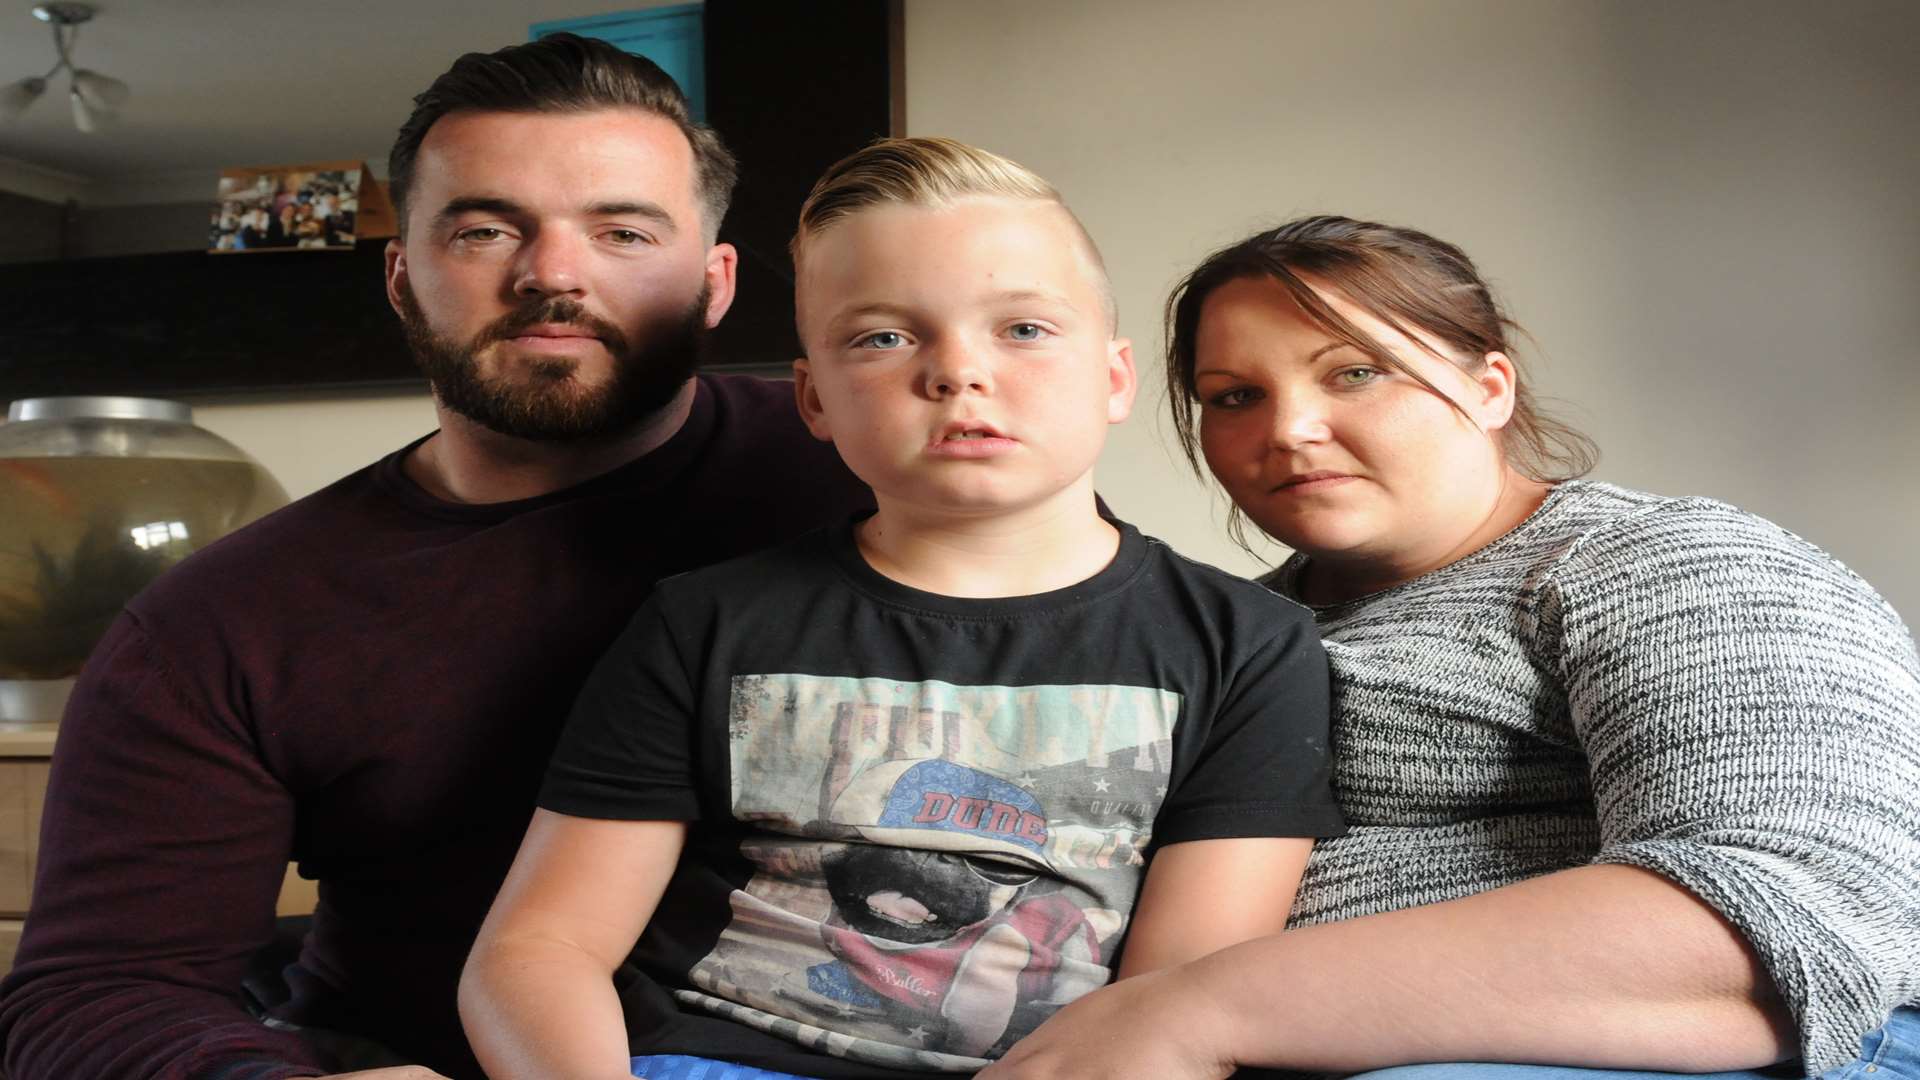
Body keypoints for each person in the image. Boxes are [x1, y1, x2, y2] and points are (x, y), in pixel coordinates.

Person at [0, 34, 877, 1080]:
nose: (553, 273)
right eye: (484, 229)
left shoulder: (878, 476)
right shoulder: (227, 620)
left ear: (717, 279)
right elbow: (93, 993)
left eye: (623, 231)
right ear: (402, 276)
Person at [456, 138, 1347, 1080]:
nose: (958, 373)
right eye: (884, 336)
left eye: (1024, 330)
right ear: (814, 399)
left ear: (1115, 377)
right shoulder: (703, 623)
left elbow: (1180, 1004)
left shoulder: (1249, 645)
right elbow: (537, 953)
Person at [980, 215, 1920, 1080]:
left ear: (1489, 386)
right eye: (1235, 396)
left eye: (1354, 372)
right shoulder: (1226, 633)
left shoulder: (1666, 565)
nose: (1289, 430)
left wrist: (1197, 1010)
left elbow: (1797, 912)